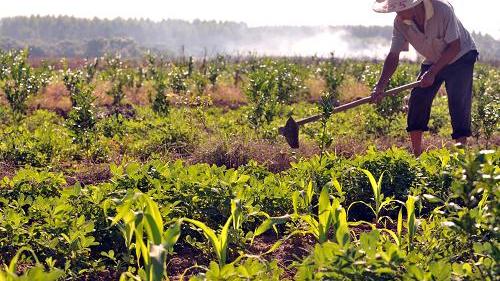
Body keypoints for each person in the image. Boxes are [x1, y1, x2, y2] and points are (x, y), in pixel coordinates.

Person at [371, 0, 478, 156]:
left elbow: (455, 46)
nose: (398, 14)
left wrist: (433, 72)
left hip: (461, 55)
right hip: (434, 58)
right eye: (394, 10)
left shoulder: (442, 10)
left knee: (458, 100)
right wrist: (380, 86)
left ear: (413, 5)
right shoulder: (400, 23)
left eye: (400, 9)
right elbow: (393, 55)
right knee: (418, 99)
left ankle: (461, 155)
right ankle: (417, 155)